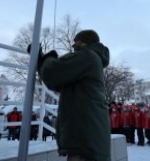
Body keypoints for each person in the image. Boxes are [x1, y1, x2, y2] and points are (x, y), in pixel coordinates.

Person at [37, 29, 111, 161]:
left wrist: (47, 59)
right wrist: (42, 61)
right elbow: (55, 81)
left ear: (84, 43)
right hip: (89, 136)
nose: (73, 46)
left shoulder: (88, 56)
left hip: (85, 138)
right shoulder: (92, 60)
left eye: (76, 41)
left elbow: (52, 72)